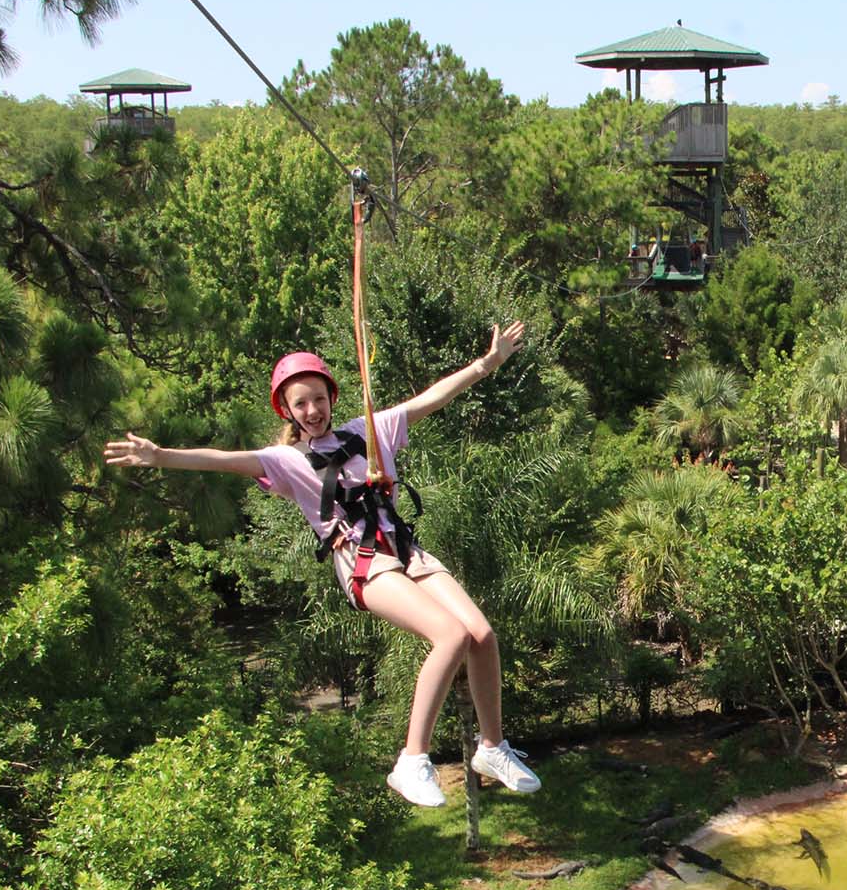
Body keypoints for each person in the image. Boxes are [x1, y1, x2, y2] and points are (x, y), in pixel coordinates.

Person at [103, 323, 541, 807]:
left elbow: (431, 399)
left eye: (318, 399)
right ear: (287, 412)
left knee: (480, 634)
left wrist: (488, 363)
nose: (311, 411)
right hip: (363, 561)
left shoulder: (368, 430)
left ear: (331, 397)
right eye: (300, 404)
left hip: (404, 548)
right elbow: (223, 460)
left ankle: (491, 747)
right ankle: (411, 760)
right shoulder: (286, 460)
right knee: (451, 635)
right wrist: (160, 455)